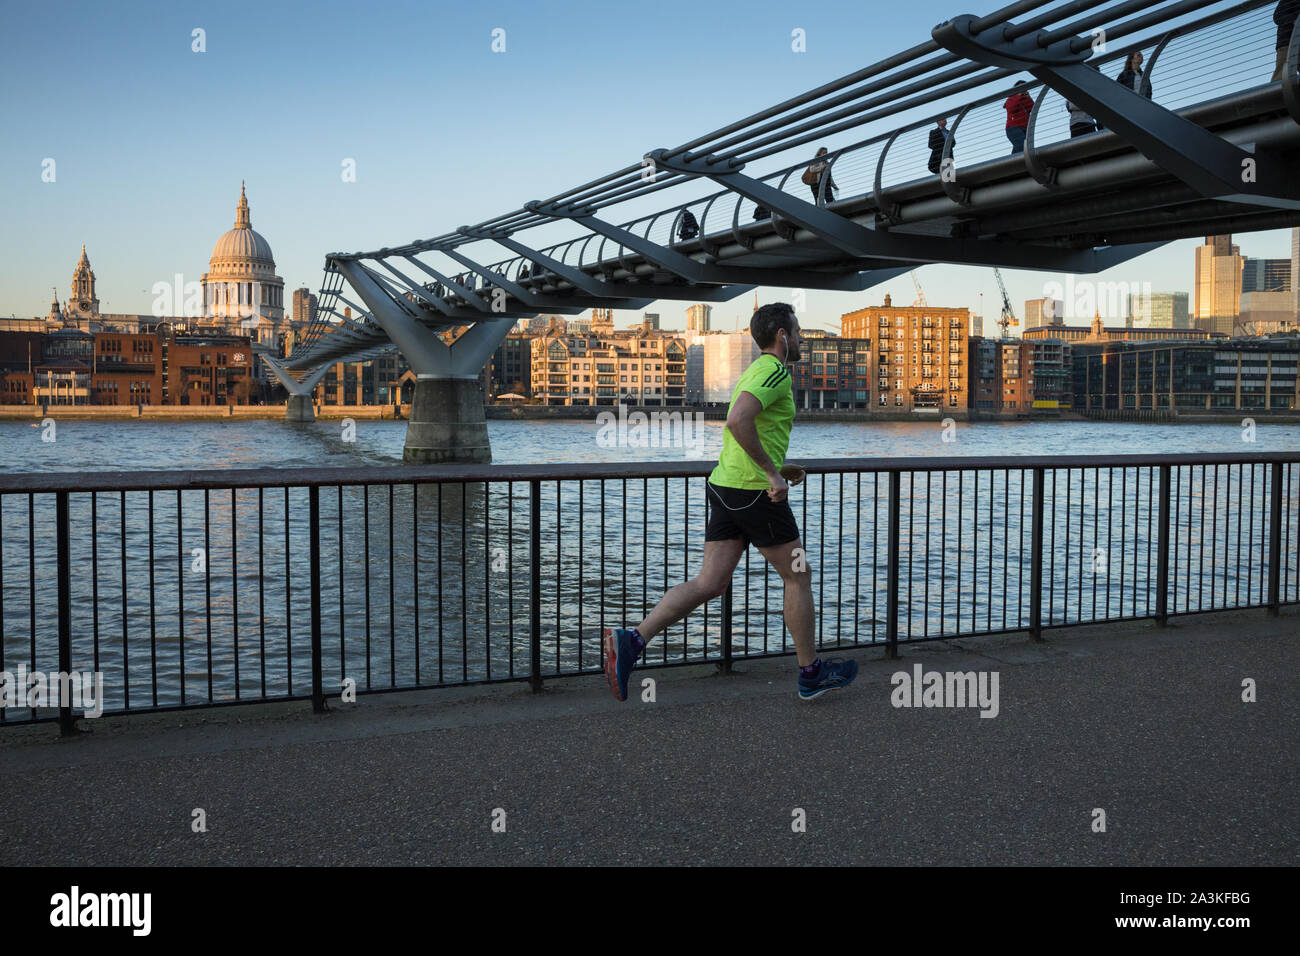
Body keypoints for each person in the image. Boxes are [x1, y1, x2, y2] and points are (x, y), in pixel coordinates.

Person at [603, 302, 858, 703]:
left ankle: (633, 640)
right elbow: (738, 421)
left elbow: (750, 428)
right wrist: (771, 475)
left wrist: (778, 466)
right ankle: (811, 674)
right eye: (799, 331)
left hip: (726, 486)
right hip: (754, 493)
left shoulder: (756, 370)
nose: (804, 338)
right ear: (783, 336)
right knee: (798, 576)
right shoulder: (774, 371)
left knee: (710, 582)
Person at [1004, 81, 1034, 154]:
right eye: (1021, 87)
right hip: (1013, 128)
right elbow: (1012, 109)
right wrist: (1019, 95)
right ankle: (1014, 163)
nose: (1023, 89)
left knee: (1020, 148)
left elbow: (1032, 109)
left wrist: (1028, 97)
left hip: (1025, 128)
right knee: (1023, 146)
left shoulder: (1025, 99)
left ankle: (1012, 163)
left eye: (1025, 87)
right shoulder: (1011, 99)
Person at [1275, 1, 1300, 83]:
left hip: (1290, 42)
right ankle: (1277, 96)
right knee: (1281, 78)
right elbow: (1278, 16)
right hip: (1287, 44)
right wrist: (1295, 20)